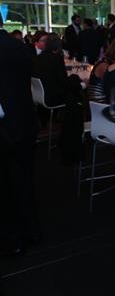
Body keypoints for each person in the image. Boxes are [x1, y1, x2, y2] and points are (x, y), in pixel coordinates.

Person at [0, 17, 39, 255]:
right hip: (23, 122)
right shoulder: (18, 46)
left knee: (5, 186)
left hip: (5, 127)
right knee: (23, 180)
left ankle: (12, 238)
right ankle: (30, 230)